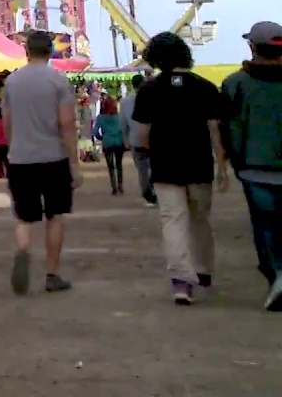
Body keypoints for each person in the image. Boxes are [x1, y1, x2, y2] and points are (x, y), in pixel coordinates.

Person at [131, 31, 228, 306]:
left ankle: (181, 282)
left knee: (173, 222)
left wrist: (153, 153)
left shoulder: (149, 90)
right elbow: (214, 131)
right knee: (200, 220)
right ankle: (203, 269)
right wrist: (221, 166)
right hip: (199, 164)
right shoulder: (206, 87)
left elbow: (141, 134)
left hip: (165, 166)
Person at [0, 30, 81, 295]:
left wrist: (14, 150)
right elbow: (66, 123)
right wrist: (74, 164)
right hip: (53, 157)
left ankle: (23, 250)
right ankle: (52, 273)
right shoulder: (58, 82)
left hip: (21, 158)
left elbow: (8, 123)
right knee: (55, 215)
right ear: (50, 52)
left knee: (24, 217)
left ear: (27, 51)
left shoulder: (12, 82)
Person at [220, 21, 282, 311]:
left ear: (252, 47)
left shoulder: (235, 83)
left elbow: (230, 126)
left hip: (254, 166)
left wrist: (232, 158)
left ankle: (275, 276)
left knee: (265, 225)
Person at [119, 73, 157, 206]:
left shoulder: (125, 102)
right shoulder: (152, 97)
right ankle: (153, 191)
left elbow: (123, 123)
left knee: (141, 169)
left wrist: (125, 139)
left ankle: (147, 193)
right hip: (152, 137)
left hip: (135, 139)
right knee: (154, 166)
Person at [94, 97, 127, 196]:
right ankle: (120, 185)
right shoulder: (119, 116)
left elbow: (95, 132)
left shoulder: (101, 117)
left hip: (107, 142)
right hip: (118, 141)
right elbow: (123, 129)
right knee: (119, 165)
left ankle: (114, 187)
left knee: (111, 166)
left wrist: (101, 137)